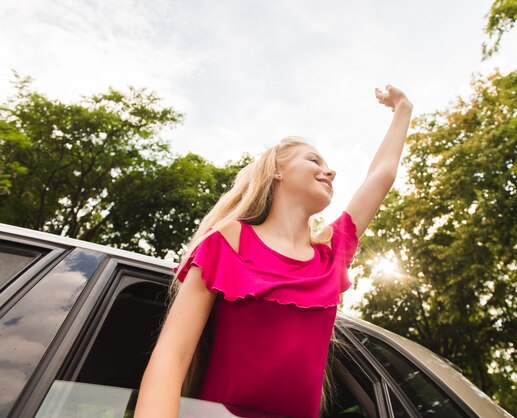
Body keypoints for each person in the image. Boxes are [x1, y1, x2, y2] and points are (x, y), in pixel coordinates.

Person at [135, 85, 413, 418]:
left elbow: (381, 175)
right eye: (314, 160)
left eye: (328, 165)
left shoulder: (330, 253)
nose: (330, 171)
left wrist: (403, 109)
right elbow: (171, 359)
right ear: (277, 172)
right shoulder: (228, 240)